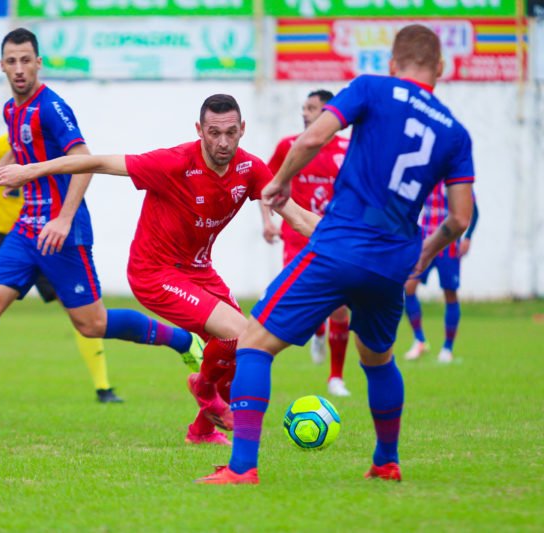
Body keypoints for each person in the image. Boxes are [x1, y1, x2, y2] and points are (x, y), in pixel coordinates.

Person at [195, 24, 475, 484]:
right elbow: (460, 219)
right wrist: (424, 254)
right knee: (379, 360)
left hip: (340, 246)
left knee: (253, 343)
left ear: (391, 64)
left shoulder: (371, 88)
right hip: (394, 263)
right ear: (440, 69)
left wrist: (281, 180)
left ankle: (242, 467)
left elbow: (312, 139)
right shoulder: (455, 132)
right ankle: (386, 461)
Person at [0, 28, 204, 427]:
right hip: (26, 228)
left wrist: (63, 218)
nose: (19, 68)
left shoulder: (51, 107)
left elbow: (85, 160)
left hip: (63, 232)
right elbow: (15, 150)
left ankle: (185, 340)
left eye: (26, 60)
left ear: (38, 62)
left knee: (92, 324)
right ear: (2, 66)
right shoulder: (12, 110)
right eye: (11, 61)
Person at [0, 94, 321, 445]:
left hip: (199, 271)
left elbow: (298, 216)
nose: (223, 142)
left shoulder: (250, 169)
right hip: (155, 272)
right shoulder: (173, 163)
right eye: (214, 132)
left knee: (242, 349)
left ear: (242, 130)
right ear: (199, 130)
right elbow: (96, 162)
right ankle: (204, 389)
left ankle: (201, 431)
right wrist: (29, 171)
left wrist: (350, 240)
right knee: (238, 333)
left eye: (231, 132)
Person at [0, 134, 125, 403]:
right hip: (2, 239)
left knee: (83, 315)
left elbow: (83, 163)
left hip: (44, 234)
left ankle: (103, 387)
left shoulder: (54, 146)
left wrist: (65, 218)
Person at [261, 89, 352, 396]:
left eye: (312, 108)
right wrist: (267, 220)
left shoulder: (349, 149)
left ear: (329, 112)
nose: (304, 112)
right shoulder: (290, 146)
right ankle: (316, 329)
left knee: (340, 308)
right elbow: (266, 182)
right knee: (305, 299)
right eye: (303, 107)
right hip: (296, 237)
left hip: (334, 238)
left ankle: (336, 377)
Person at [403, 183, 478, 363]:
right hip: (426, 244)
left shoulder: (457, 179)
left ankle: (447, 348)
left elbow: (474, 210)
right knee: (408, 287)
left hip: (449, 246)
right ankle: (419, 340)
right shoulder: (428, 175)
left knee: (450, 293)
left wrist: (468, 237)